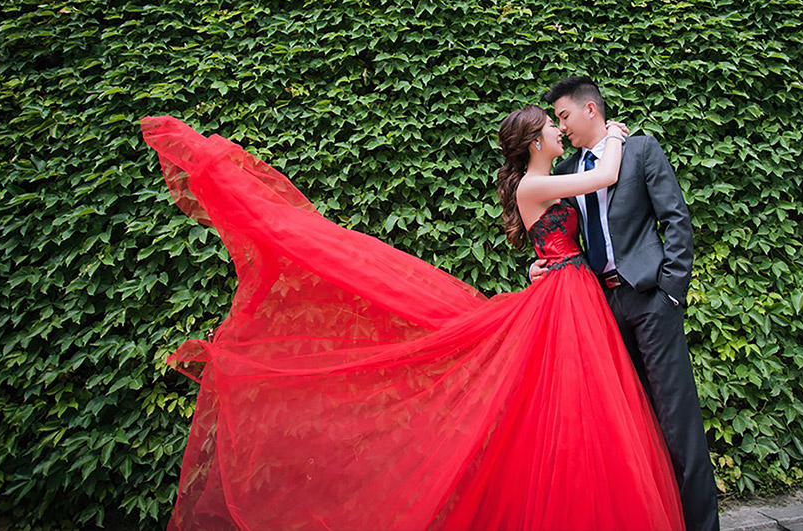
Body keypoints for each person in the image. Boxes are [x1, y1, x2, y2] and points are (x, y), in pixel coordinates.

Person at [141, 110, 683, 530]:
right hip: (566, 296)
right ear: (536, 142)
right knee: (569, 408)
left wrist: (551, 263)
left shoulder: (551, 177)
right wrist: (613, 131)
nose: (560, 133)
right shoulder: (531, 187)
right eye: (552, 127)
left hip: (570, 289)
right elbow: (608, 172)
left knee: (581, 405)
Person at [531, 76, 720, 531]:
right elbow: (557, 240)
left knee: (678, 425)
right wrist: (536, 270)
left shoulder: (640, 150)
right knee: (633, 429)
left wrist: (671, 293)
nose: (563, 127)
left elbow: (675, 220)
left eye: (564, 116)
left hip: (650, 299)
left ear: (589, 109)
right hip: (603, 311)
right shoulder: (569, 171)